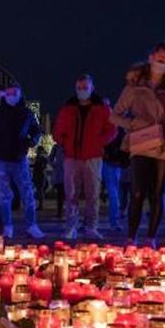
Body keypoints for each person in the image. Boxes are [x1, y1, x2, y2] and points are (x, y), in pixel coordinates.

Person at [110, 40, 165, 248]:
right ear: (151, 57)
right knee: (137, 191)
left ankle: (151, 237)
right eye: (160, 59)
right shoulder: (135, 85)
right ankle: (131, 237)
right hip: (142, 141)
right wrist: (133, 123)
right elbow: (115, 115)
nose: (163, 64)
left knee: (159, 191)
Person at [52, 74, 118, 240]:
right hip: (72, 156)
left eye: (85, 87)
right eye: (79, 87)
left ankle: (91, 227)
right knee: (71, 194)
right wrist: (64, 142)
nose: (82, 90)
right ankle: (71, 227)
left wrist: (99, 143)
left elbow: (112, 130)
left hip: (93, 157)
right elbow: (58, 129)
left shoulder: (102, 108)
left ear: (92, 88)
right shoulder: (68, 108)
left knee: (93, 193)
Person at [0, 83, 44, 239]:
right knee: (4, 195)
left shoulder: (26, 113)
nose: (11, 96)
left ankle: (31, 225)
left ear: (19, 95)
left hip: (19, 158)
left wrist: (30, 142)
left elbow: (36, 131)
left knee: (27, 193)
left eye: (14, 93)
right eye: (9, 93)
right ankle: (7, 226)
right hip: (1, 158)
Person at [101, 129, 129, 231]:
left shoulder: (117, 131)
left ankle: (114, 221)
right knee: (114, 192)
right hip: (113, 162)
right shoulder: (121, 131)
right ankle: (114, 221)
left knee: (113, 193)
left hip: (110, 161)